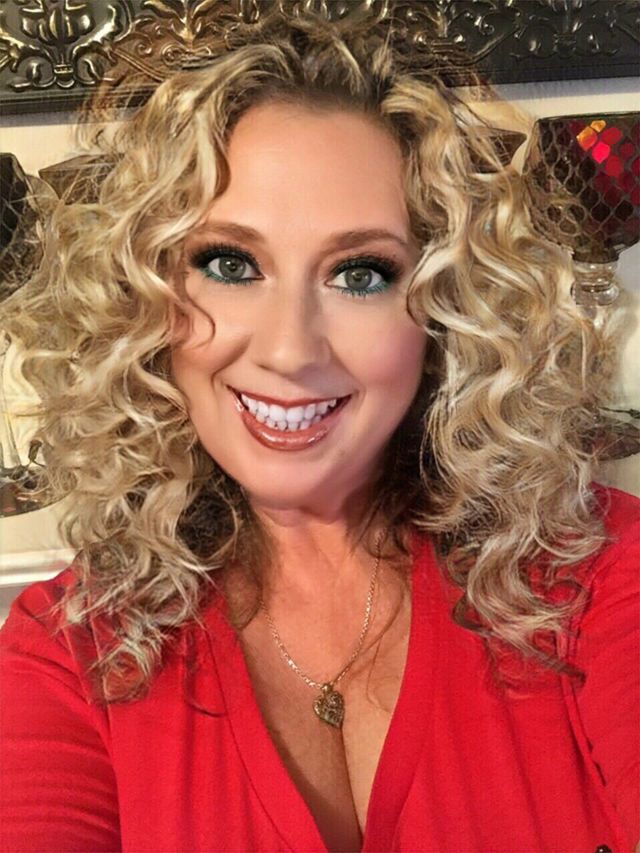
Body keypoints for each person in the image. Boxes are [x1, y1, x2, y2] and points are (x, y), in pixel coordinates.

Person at [0, 10, 638, 853]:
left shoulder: (598, 572)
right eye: (230, 263)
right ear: (145, 301)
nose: (290, 349)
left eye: (360, 273)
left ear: (445, 313)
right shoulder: (68, 651)